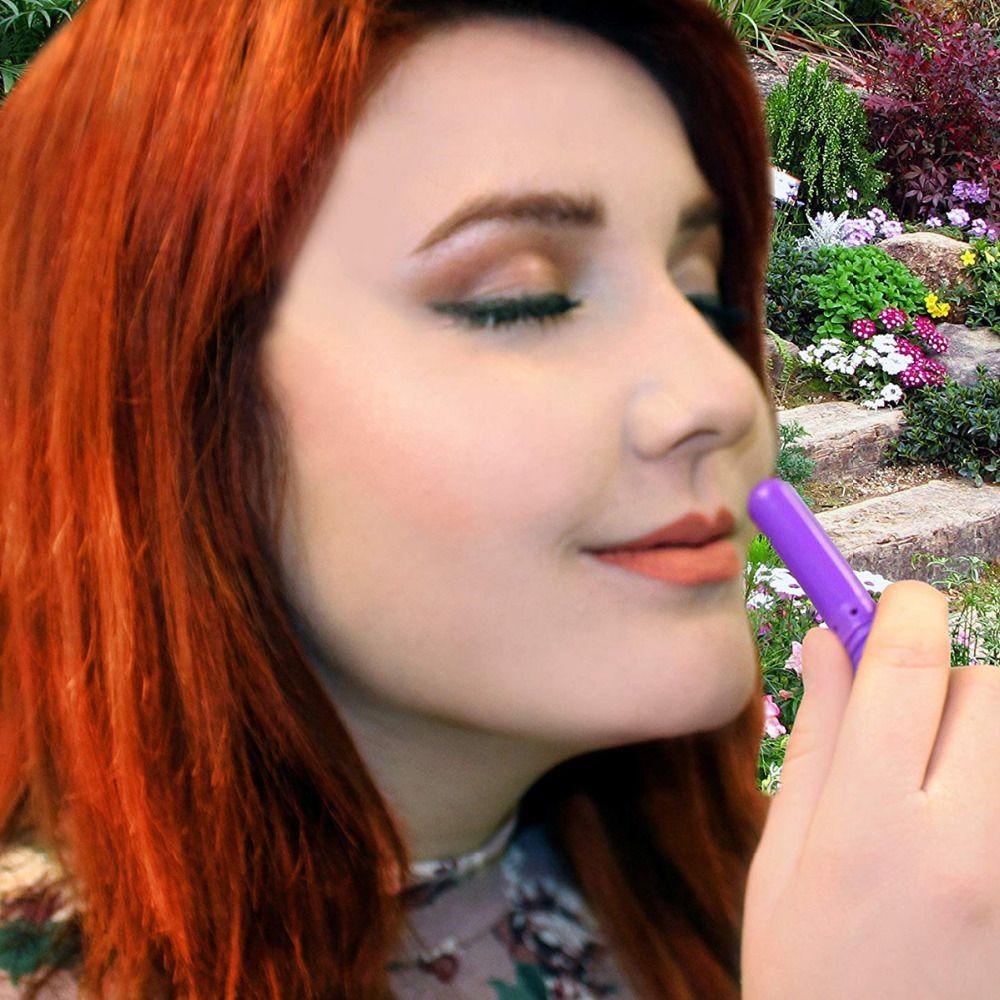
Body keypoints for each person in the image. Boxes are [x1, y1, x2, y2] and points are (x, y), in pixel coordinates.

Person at [6, 1, 996, 998]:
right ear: (157, 394)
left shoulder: (730, 891)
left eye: (703, 298)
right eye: (517, 299)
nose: (724, 394)